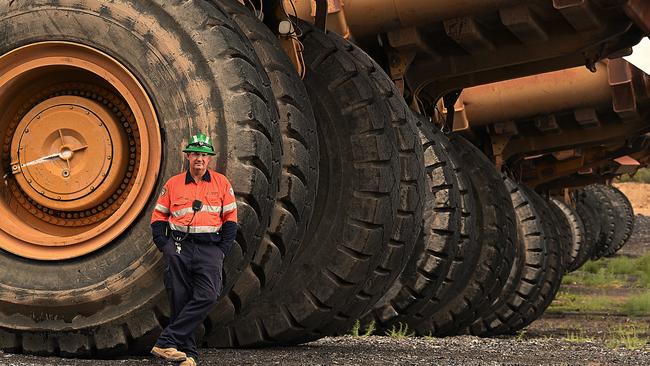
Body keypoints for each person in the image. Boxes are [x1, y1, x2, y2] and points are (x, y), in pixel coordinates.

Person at [149, 133, 237, 366]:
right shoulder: (173, 184)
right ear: (188, 156)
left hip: (210, 249)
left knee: (208, 296)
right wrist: (165, 246)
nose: (200, 159)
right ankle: (188, 356)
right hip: (180, 247)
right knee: (179, 299)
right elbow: (158, 216)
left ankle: (166, 340)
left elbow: (230, 219)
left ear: (210, 159)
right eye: (196, 154)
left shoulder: (221, 183)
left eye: (204, 155)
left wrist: (221, 251)